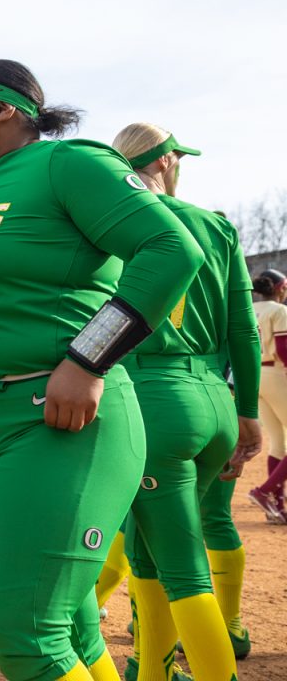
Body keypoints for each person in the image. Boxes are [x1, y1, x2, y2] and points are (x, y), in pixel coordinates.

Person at [0, 60, 203, 681]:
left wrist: (88, 356)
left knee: (27, 632)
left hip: (56, 417)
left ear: (4, 109)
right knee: (66, 621)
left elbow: (172, 248)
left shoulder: (67, 163)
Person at [108, 123, 261, 681]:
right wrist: (246, 411)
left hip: (151, 398)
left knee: (180, 569)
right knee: (151, 555)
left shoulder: (111, 225)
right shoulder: (216, 225)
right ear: (167, 161)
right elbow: (243, 330)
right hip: (213, 398)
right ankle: (153, 672)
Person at [248, 269, 287, 522]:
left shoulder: (248, 308)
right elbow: (284, 349)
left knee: (278, 441)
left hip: (253, 376)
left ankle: (277, 504)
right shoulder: (279, 310)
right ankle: (264, 491)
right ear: (278, 288)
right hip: (275, 374)